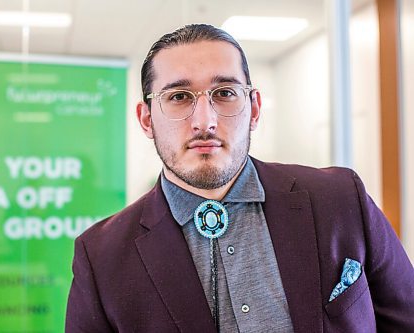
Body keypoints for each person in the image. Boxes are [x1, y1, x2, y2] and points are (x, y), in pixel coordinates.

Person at [65, 24, 414, 332]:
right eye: (179, 97)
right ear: (146, 120)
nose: (205, 121)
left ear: (255, 109)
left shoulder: (339, 200)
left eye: (225, 93)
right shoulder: (102, 257)